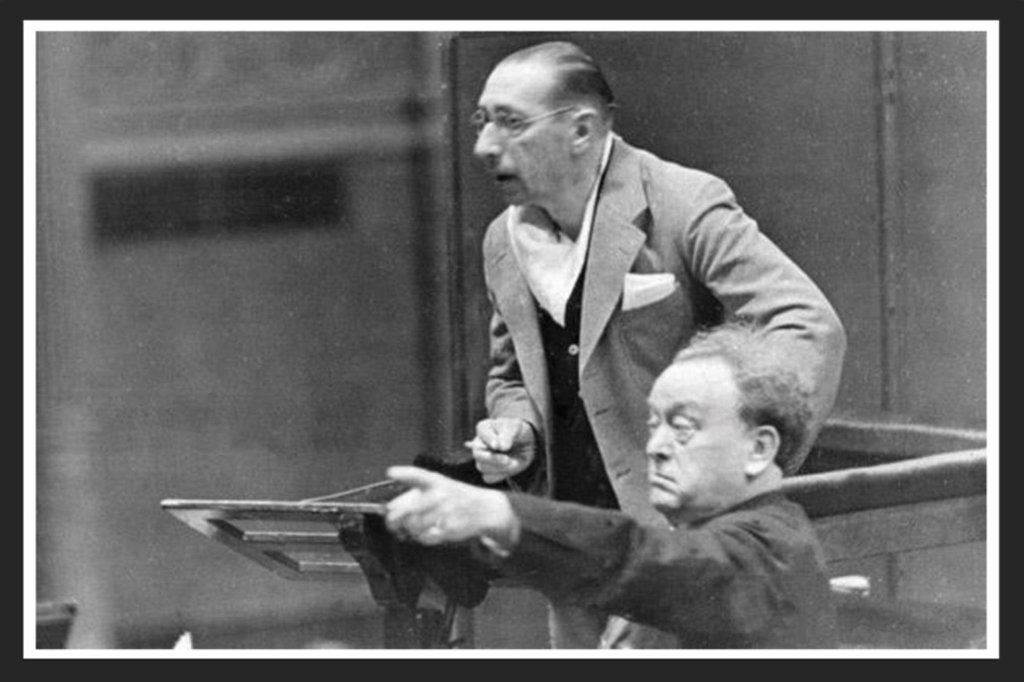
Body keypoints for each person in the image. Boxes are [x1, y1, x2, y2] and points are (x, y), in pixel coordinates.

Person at [462, 40, 846, 647]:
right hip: (576, 541)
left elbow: (807, 324)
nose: (485, 146)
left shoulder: (684, 203)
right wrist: (518, 431)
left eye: (510, 123)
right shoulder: (502, 242)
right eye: (482, 121)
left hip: (681, 542)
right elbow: (511, 376)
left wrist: (747, 462)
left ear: (582, 130)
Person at [386, 323, 838, 649]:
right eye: (653, 423)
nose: (655, 446)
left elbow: (643, 557)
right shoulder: (735, 537)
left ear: (759, 448)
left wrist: (505, 516)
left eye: (682, 427)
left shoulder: (770, 549)